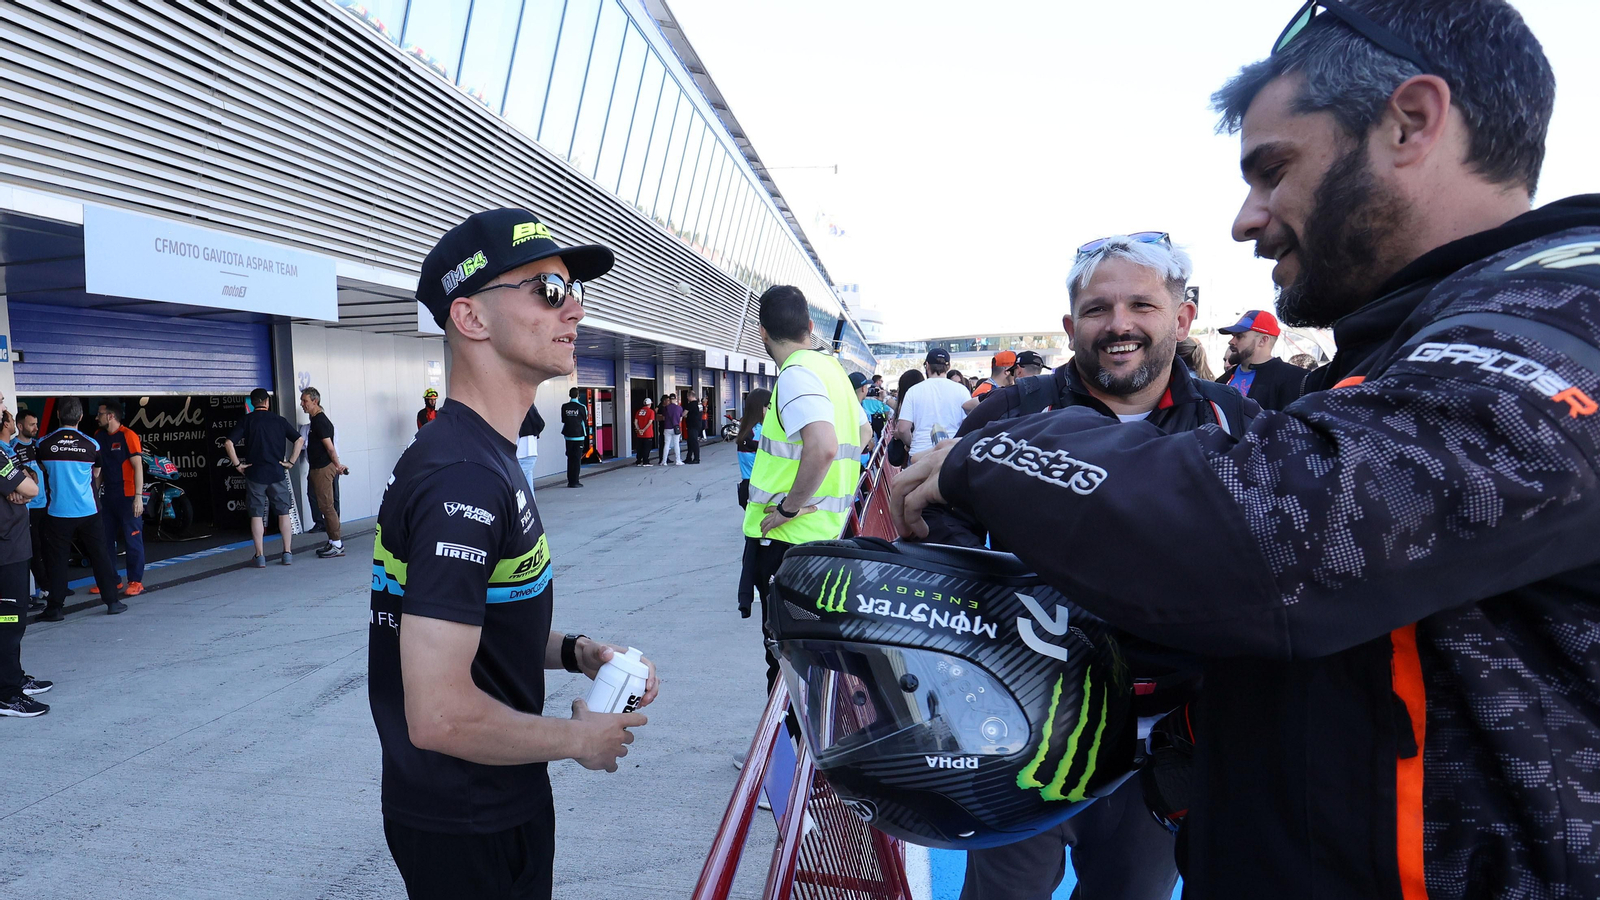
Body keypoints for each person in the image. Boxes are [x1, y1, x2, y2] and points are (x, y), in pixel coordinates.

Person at [891, 2, 1600, 895]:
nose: (1246, 218)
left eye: (1274, 170)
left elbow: (1272, 535)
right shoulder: (1406, 344)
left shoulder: (1560, 317)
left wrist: (983, 460)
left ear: (1411, 123)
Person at [951, 234, 1256, 900]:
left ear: (1180, 318)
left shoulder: (1234, 420)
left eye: (1140, 305)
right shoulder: (1013, 413)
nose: (1118, 325)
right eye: (1097, 309)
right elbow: (937, 529)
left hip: (1166, 742)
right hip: (1020, 739)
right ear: (1070, 326)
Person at [375, 207, 655, 899]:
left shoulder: (486, 457)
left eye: (574, 290)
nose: (576, 309)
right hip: (467, 817)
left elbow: (479, 620)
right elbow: (436, 714)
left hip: (495, 800)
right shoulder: (462, 478)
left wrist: (576, 651)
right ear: (471, 319)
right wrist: (577, 740)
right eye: (548, 290)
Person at [740, 285, 872, 690]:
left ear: (762, 332)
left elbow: (824, 446)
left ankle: (789, 750)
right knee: (808, 660)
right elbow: (863, 434)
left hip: (787, 543)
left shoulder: (797, 375)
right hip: (825, 539)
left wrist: (789, 508)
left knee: (784, 663)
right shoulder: (831, 371)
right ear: (810, 327)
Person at [35, 398, 125, 619]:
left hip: (58, 511)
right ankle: (112, 602)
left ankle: (55, 608)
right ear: (81, 417)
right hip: (88, 510)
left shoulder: (43, 444)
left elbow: (41, 469)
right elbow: (96, 473)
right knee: (100, 556)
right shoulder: (91, 444)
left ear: (58, 415)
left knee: (57, 561)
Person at [0, 390, 45, 717]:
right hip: (5, 553)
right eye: (1, 405)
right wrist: (21, 489)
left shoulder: (6, 452)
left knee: (13, 623)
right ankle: (7, 694)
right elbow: (29, 488)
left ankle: (12, 680)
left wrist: (21, 488)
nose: (6, 409)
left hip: (13, 548)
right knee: (9, 623)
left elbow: (30, 483)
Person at [225, 388, 305, 568]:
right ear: (267, 402)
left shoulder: (247, 421)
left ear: (253, 403)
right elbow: (299, 440)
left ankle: (260, 556)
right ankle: (287, 553)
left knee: (256, 514)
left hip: (255, 474)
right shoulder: (279, 421)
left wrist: (238, 465)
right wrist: (291, 462)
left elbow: (228, 443)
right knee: (283, 512)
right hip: (277, 472)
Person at [89, 400, 145, 597]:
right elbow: (99, 469)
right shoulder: (98, 436)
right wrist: (94, 494)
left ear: (110, 416)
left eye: (100, 414)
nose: (97, 418)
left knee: (133, 540)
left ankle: (135, 581)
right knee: (105, 540)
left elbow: (138, 467)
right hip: (108, 495)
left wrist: (138, 497)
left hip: (128, 496)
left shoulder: (128, 435)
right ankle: (111, 581)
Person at [1213, 309, 1305, 410]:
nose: (1231, 341)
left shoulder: (1294, 379)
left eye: (1239, 336)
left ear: (1263, 340)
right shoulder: (1223, 380)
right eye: (1233, 336)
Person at [299, 388, 350, 560]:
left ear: (315, 401)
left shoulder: (320, 422)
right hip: (317, 468)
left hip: (323, 468)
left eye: (305, 401)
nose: (302, 404)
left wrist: (337, 466)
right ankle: (332, 540)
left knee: (327, 507)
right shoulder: (314, 421)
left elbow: (330, 447)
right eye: (302, 400)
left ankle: (337, 544)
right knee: (324, 506)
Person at [894, 348, 971, 457]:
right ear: (948, 367)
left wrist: (911, 444)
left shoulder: (913, 391)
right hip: (952, 453)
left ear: (927, 365)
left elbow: (902, 429)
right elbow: (968, 424)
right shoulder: (962, 390)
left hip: (920, 452)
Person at [12, 411, 48, 608]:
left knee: (45, 546)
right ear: (19, 425)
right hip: (26, 509)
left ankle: (48, 586)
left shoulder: (39, 446)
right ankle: (39, 589)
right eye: (32, 424)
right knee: (32, 549)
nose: (35, 428)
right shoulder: (11, 448)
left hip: (45, 505)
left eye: (36, 423)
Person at [734, 388, 770, 516]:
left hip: (748, 485)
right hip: (760, 487)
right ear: (762, 408)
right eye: (769, 406)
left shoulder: (748, 429)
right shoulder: (760, 432)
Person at [560, 388, 587, 487]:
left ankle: (570, 480)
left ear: (569, 394)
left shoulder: (564, 406)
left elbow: (563, 420)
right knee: (576, 459)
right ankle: (575, 481)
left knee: (570, 458)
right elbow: (585, 419)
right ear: (578, 395)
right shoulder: (582, 407)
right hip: (579, 436)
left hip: (568, 436)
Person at [518, 402, 544, 488]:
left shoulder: (514, 410)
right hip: (531, 452)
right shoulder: (530, 408)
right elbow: (541, 424)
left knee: (515, 483)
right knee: (527, 485)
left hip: (518, 454)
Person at [661, 393, 684, 466]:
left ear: (669, 399)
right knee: (676, 444)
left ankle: (664, 461)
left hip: (667, 428)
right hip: (676, 427)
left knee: (666, 444)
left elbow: (663, 417)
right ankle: (678, 460)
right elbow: (680, 419)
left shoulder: (666, 408)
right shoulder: (679, 408)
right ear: (675, 399)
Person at [632, 397, 655, 467]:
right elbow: (650, 422)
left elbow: (635, 422)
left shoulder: (639, 411)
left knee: (639, 447)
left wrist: (639, 429)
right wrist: (644, 430)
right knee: (646, 448)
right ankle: (646, 461)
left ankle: (638, 461)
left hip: (639, 434)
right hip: (647, 433)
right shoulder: (651, 411)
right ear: (649, 404)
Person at [681, 390, 702, 464]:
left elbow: (684, 414)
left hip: (692, 425)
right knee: (690, 441)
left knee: (693, 442)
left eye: (687, 397)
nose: (687, 398)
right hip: (698, 424)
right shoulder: (699, 404)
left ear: (690, 396)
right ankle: (688, 457)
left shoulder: (691, 404)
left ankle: (696, 459)